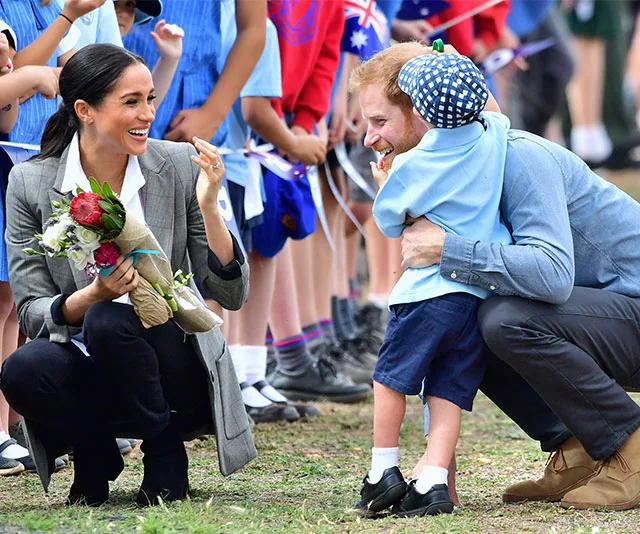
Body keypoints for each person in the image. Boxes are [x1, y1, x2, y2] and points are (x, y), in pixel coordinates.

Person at [354, 41, 640, 512]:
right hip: (608, 320)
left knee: (502, 317)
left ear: (426, 115)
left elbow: (551, 277)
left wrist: (450, 250)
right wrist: (437, 473)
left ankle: (629, 447)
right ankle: (578, 448)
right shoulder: (459, 168)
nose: (368, 138)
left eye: (380, 121)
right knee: (462, 312)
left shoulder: (516, 156)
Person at [0, 43, 255, 507]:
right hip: (89, 369)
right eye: (132, 101)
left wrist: (210, 205)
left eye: (151, 98)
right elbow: (32, 313)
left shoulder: (177, 164)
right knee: (22, 368)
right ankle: (94, 453)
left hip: (175, 369)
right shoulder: (30, 182)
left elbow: (229, 292)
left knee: (111, 323)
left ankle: (165, 453)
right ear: (85, 110)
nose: (148, 114)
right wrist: (92, 295)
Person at [353, 49, 512, 518]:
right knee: (447, 391)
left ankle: (383, 469)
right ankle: (435, 479)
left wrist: (385, 185)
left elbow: (388, 222)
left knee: (389, 381)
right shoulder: (494, 138)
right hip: (474, 298)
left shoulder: (413, 165)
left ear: (419, 112)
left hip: (424, 295)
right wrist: (459, 65)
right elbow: (495, 111)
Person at [114, 0, 183, 107]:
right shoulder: (82, 47)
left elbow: (142, 108)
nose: (122, 13)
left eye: (130, 5)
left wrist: (169, 59)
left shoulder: (120, 59)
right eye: (113, 3)